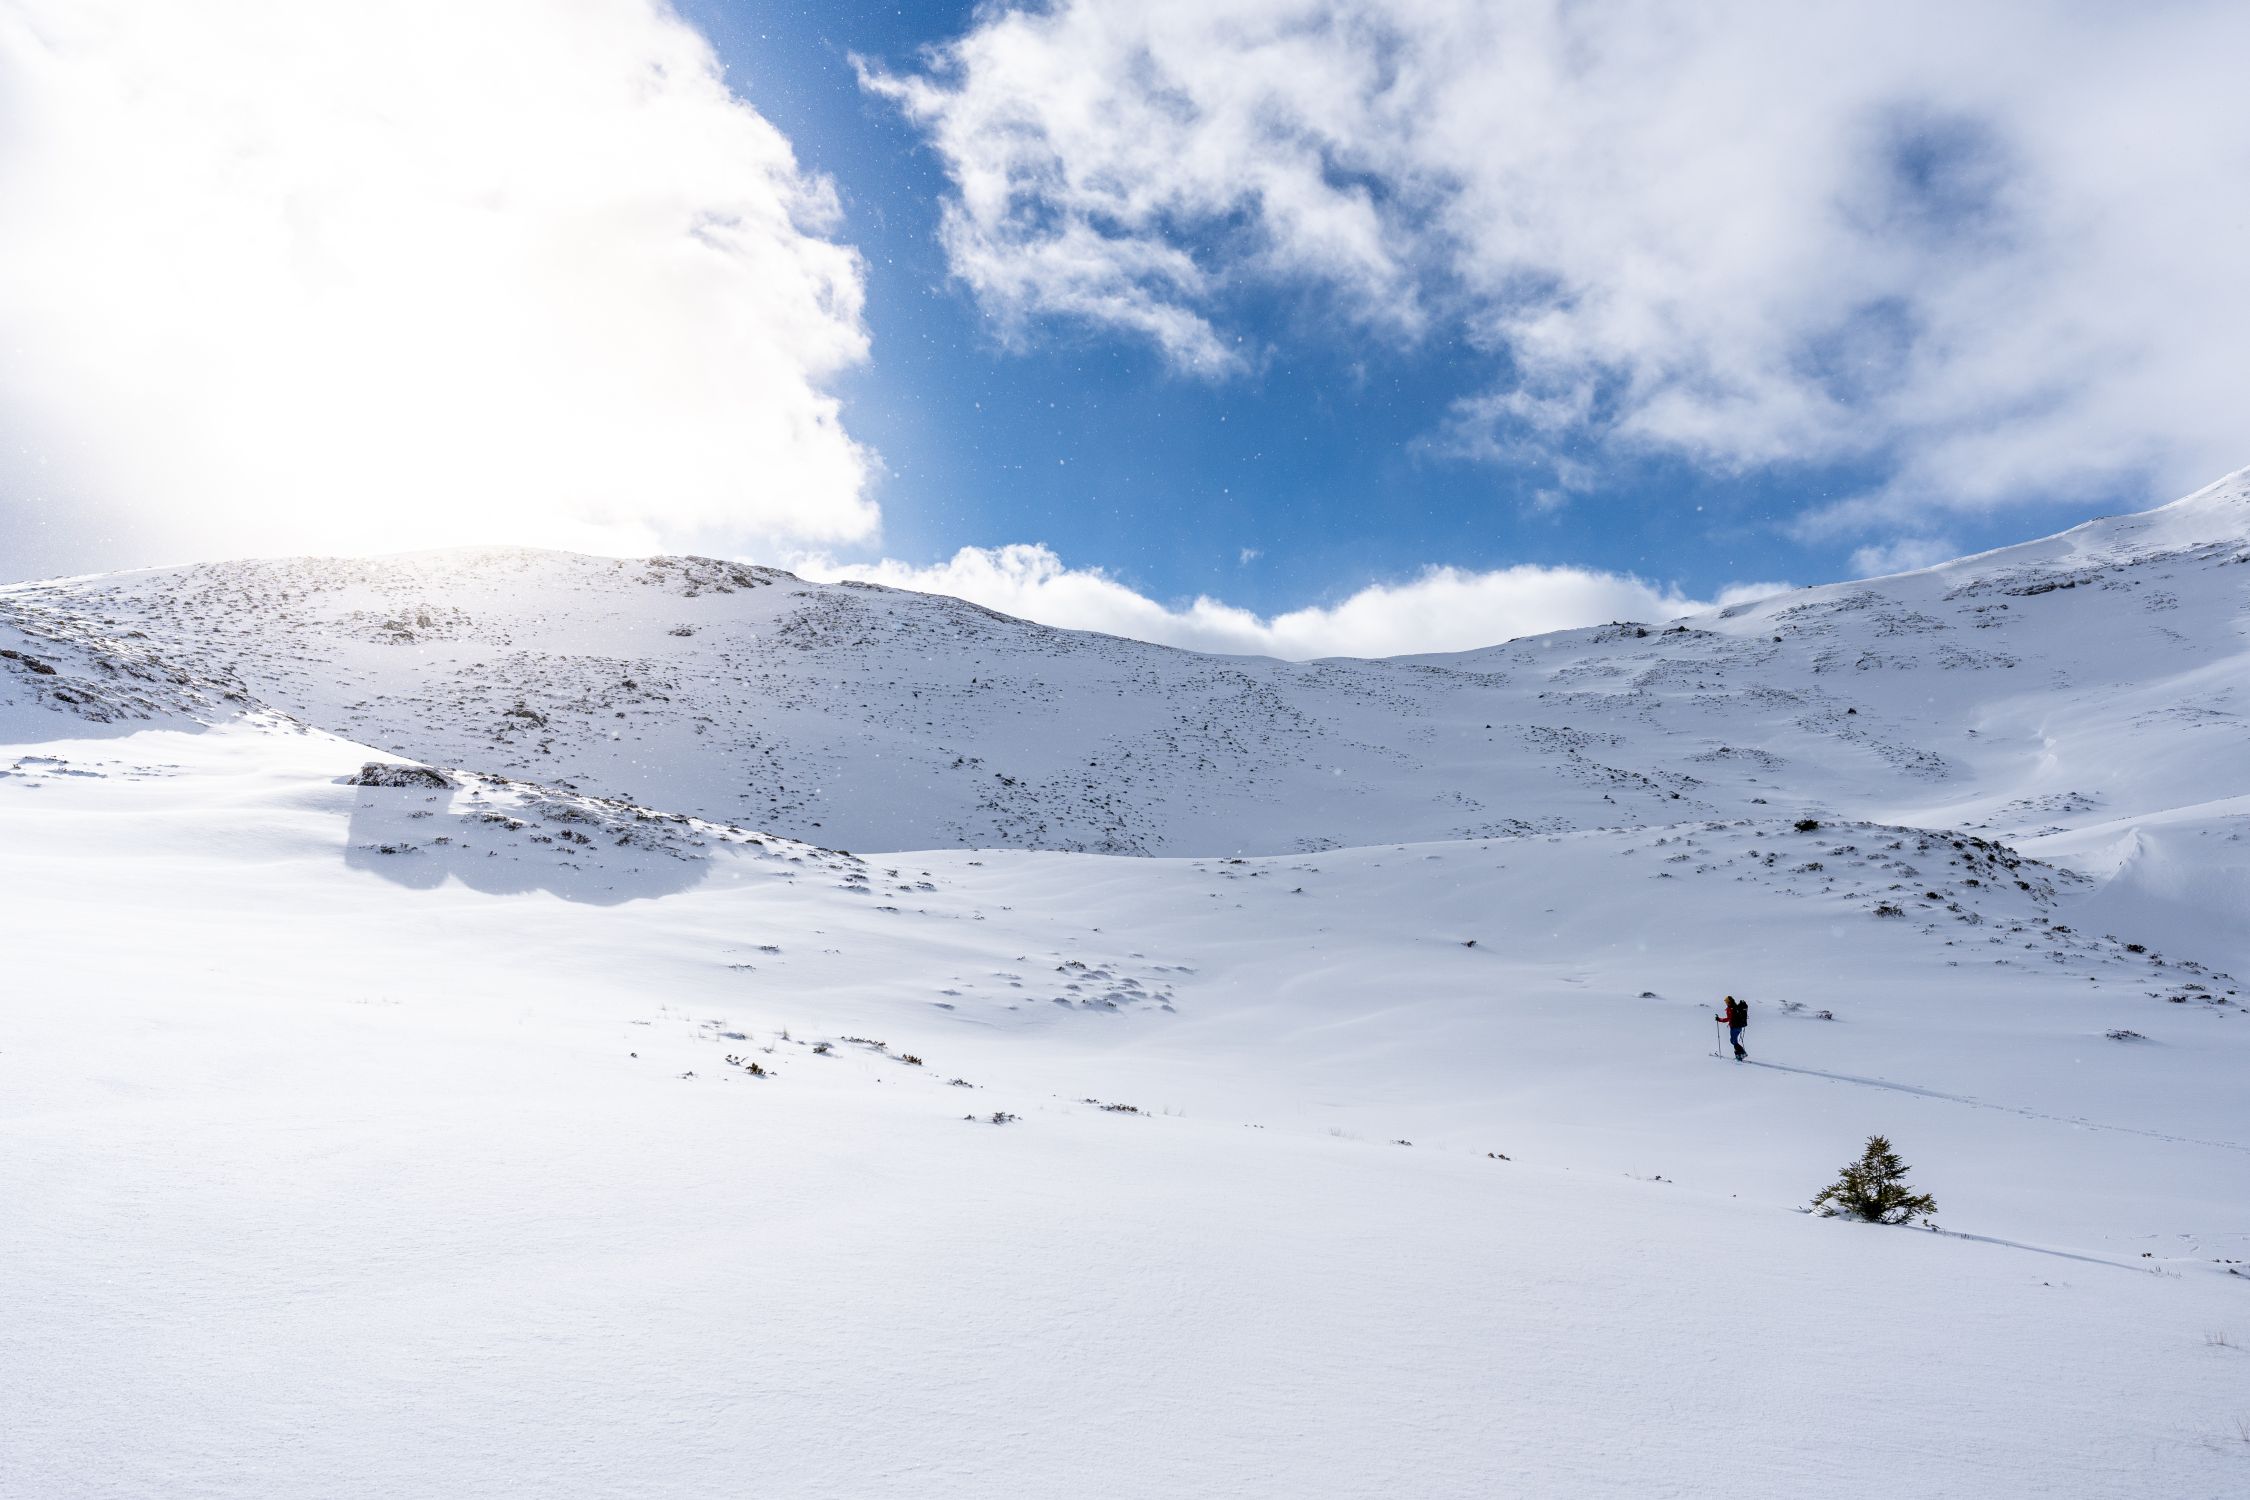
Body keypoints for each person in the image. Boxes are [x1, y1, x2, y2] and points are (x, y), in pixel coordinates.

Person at [1717, 995, 1748, 1060]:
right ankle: (1741, 1054)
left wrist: (1719, 1019)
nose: (1726, 1003)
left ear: (1729, 1002)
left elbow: (1728, 1019)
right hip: (1738, 1027)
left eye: (1726, 1002)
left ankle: (1740, 1055)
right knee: (1733, 1041)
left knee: (1733, 1041)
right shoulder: (1735, 1007)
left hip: (1734, 1027)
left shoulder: (1731, 1009)